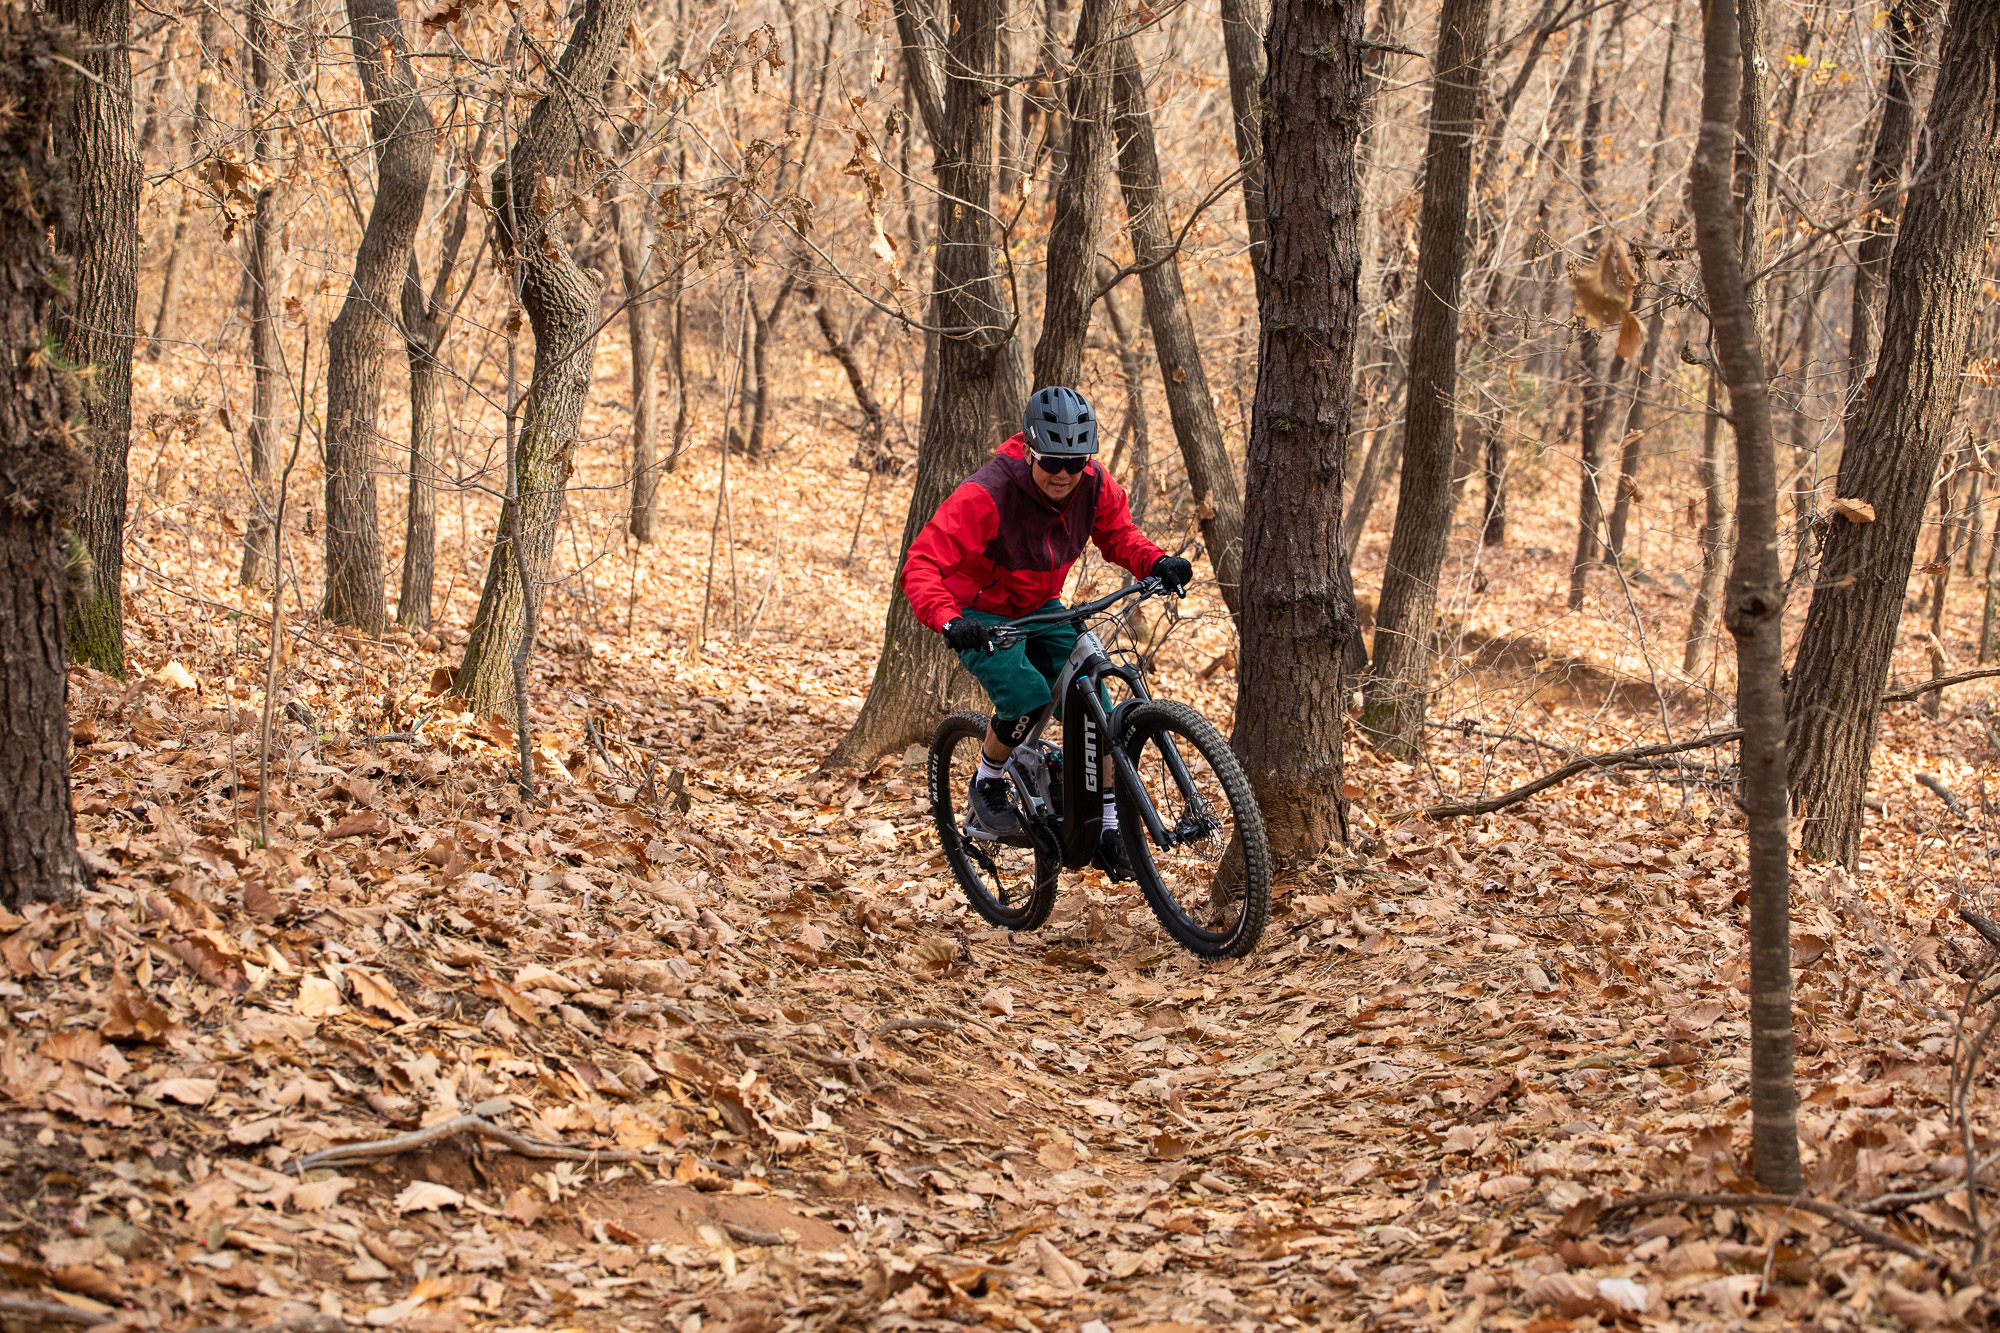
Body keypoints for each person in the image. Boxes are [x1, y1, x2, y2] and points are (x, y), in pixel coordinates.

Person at [901, 385, 1194, 869]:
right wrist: (949, 620)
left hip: (1042, 605)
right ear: (1030, 451)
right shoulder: (987, 494)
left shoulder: (1094, 484)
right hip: (980, 611)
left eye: (1074, 462)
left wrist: (1157, 562)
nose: (1063, 473)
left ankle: (1107, 827)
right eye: (1052, 461)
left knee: (1097, 710)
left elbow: (1119, 534)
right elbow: (921, 563)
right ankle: (987, 782)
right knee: (1025, 696)